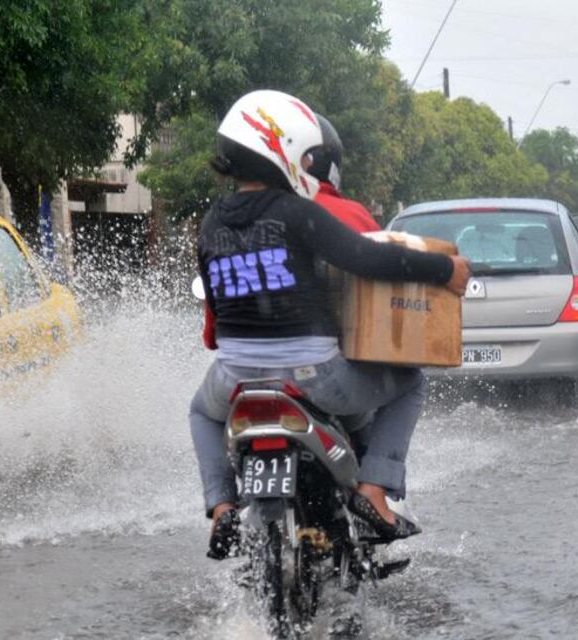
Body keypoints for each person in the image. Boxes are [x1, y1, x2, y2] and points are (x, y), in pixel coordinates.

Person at [190, 89, 470, 559]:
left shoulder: (210, 223)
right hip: (312, 377)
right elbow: (365, 257)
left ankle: (221, 508)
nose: (307, 164)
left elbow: (215, 317)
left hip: (233, 378)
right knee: (410, 383)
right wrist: (444, 270)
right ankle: (375, 490)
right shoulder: (296, 212)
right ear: (281, 151)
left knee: (200, 413)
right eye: (304, 154)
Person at [198, 112, 377, 350]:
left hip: (246, 361)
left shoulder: (225, 219)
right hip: (333, 354)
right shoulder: (354, 214)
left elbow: (212, 336)